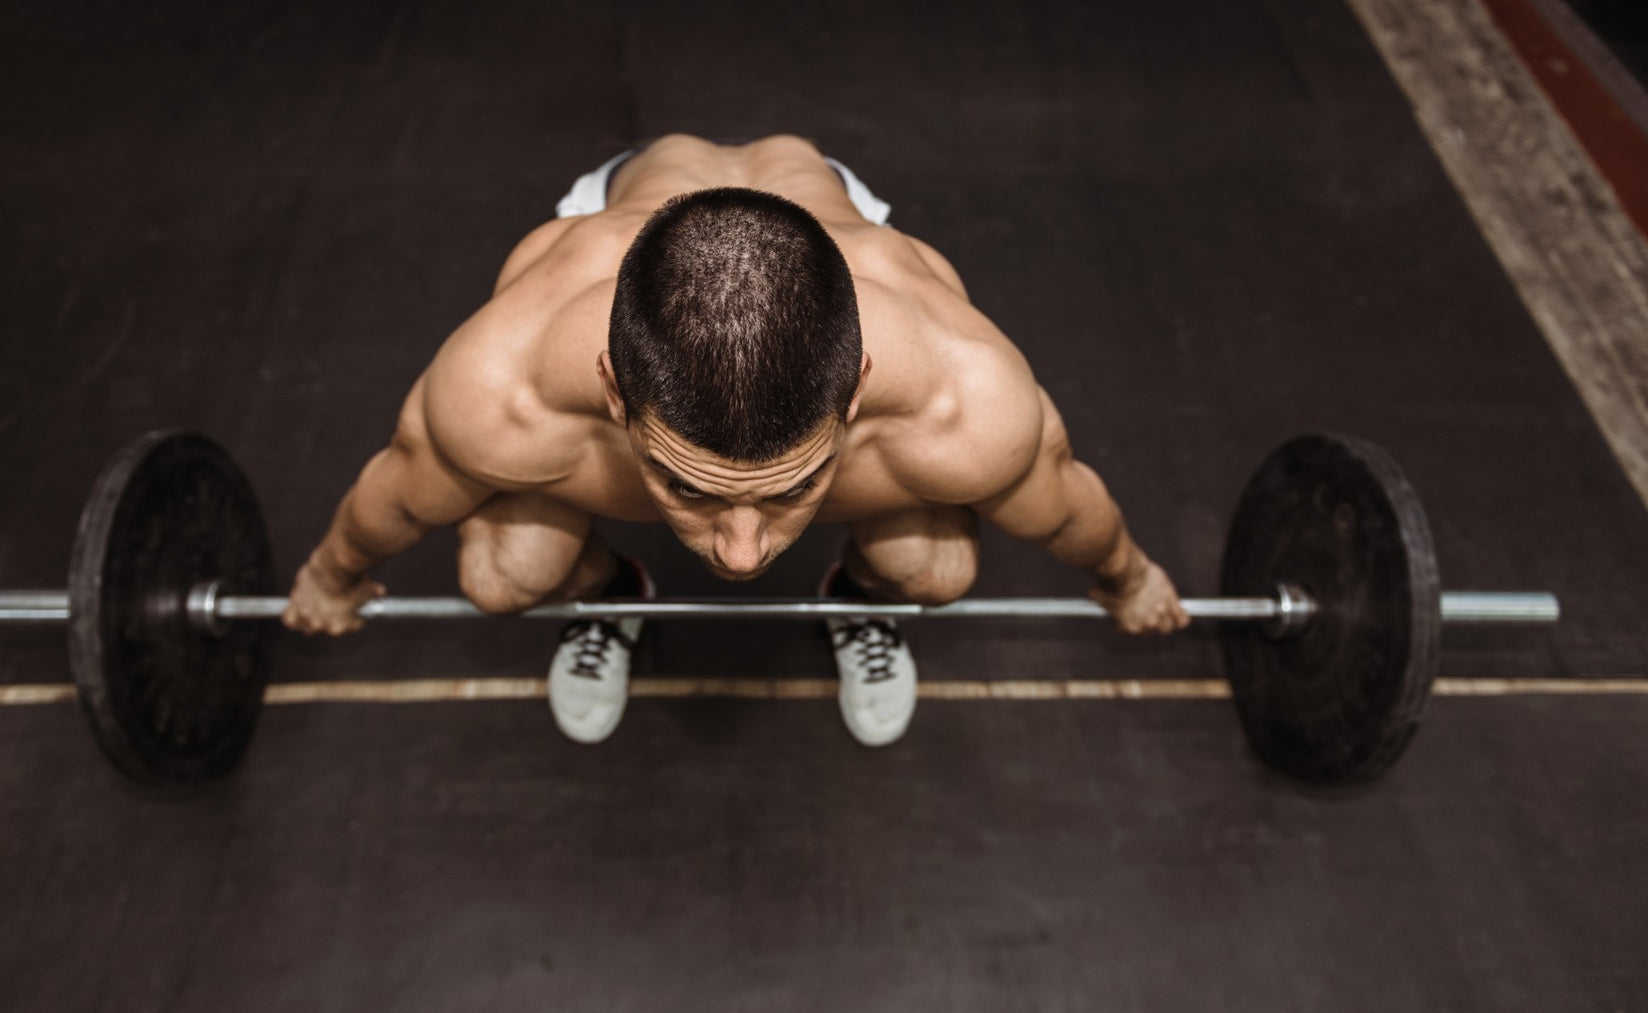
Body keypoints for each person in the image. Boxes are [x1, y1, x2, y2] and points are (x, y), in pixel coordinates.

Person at [282, 134, 1190, 747]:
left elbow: (1063, 504)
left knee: (936, 569)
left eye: (793, 489)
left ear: (856, 393)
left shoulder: (965, 400)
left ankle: (859, 597)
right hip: (625, 210)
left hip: (827, 225)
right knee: (499, 575)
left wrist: (1131, 576)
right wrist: (328, 573)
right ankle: (608, 591)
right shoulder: (504, 388)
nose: (741, 555)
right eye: (688, 487)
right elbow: (400, 487)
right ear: (613, 392)